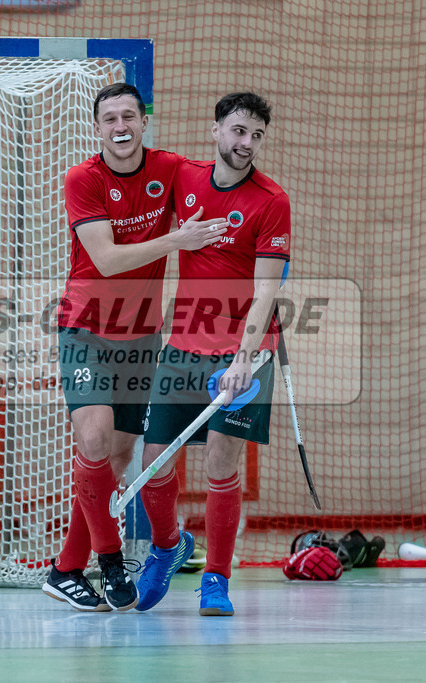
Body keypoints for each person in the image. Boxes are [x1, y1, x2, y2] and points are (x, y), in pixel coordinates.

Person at [42, 83, 229, 612]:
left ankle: (64, 569)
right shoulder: (83, 179)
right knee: (94, 439)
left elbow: (222, 184)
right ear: (97, 127)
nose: (120, 127)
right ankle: (109, 561)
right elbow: (105, 259)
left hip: (142, 336)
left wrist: (262, 254)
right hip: (85, 328)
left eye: (129, 116)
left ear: (144, 122)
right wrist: (176, 240)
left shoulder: (170, 168)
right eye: (110, 119)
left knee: (120, 457)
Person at [136, 92, 290, 615]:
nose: (247, 143)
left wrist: (244, 359)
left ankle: (217, 579)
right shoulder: (184, 178)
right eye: (239, 131)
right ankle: (167, 547)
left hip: (242, 353)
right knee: (154, 461)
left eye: (256, 135)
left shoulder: (271, 200)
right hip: (182, 345)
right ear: (216, 130)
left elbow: (266, 291)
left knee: (222, 463)